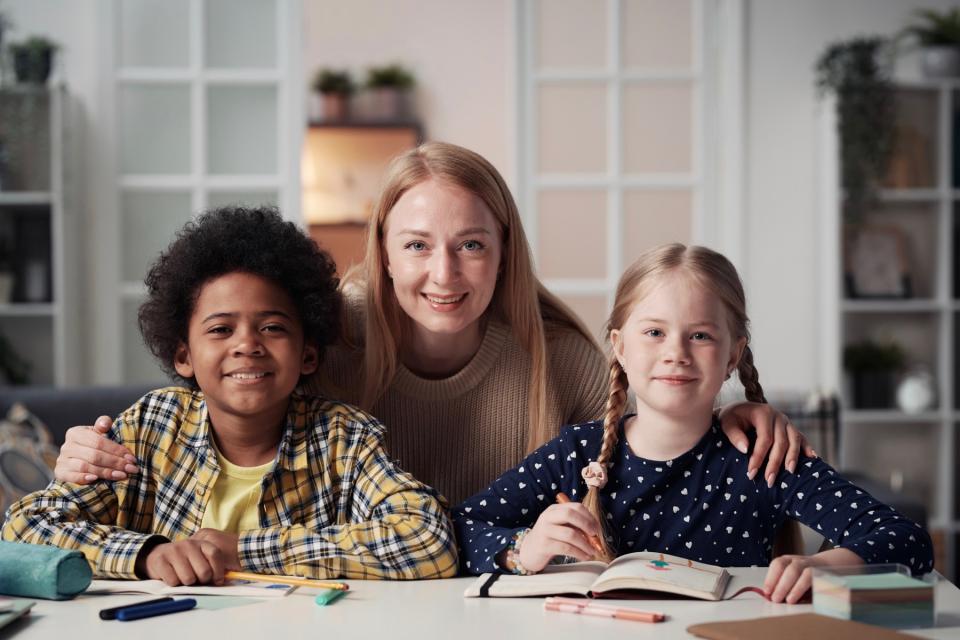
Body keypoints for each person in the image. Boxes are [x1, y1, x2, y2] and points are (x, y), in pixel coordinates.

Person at [54, 143, 810, 506]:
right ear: (381, 251)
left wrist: (726, 413)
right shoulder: (320, 340)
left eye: (471, 246)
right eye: (417, 245)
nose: (444, 275)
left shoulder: (565, 361)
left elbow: (658, 442)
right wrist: (93, 455)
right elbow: (218, 415)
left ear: (504, 252)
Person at [454, 243, 934, 603]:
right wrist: (524, 549)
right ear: (620, 347)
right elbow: (461, 528)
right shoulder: (576, 454)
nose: (676, 354)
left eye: (700, 335)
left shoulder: (762, 455)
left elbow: (908, 540)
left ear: (733, 355)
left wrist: (826, 565)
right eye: (655, 332)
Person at [3, 207, 457, 585]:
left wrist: (243, 550)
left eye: (273, 328)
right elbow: (26, 527)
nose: (247, 345)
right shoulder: (147, 430)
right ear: (184, 356)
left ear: (309, 355)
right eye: (221, 329)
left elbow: (428, 539)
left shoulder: (343, 438)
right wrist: (147, 555)